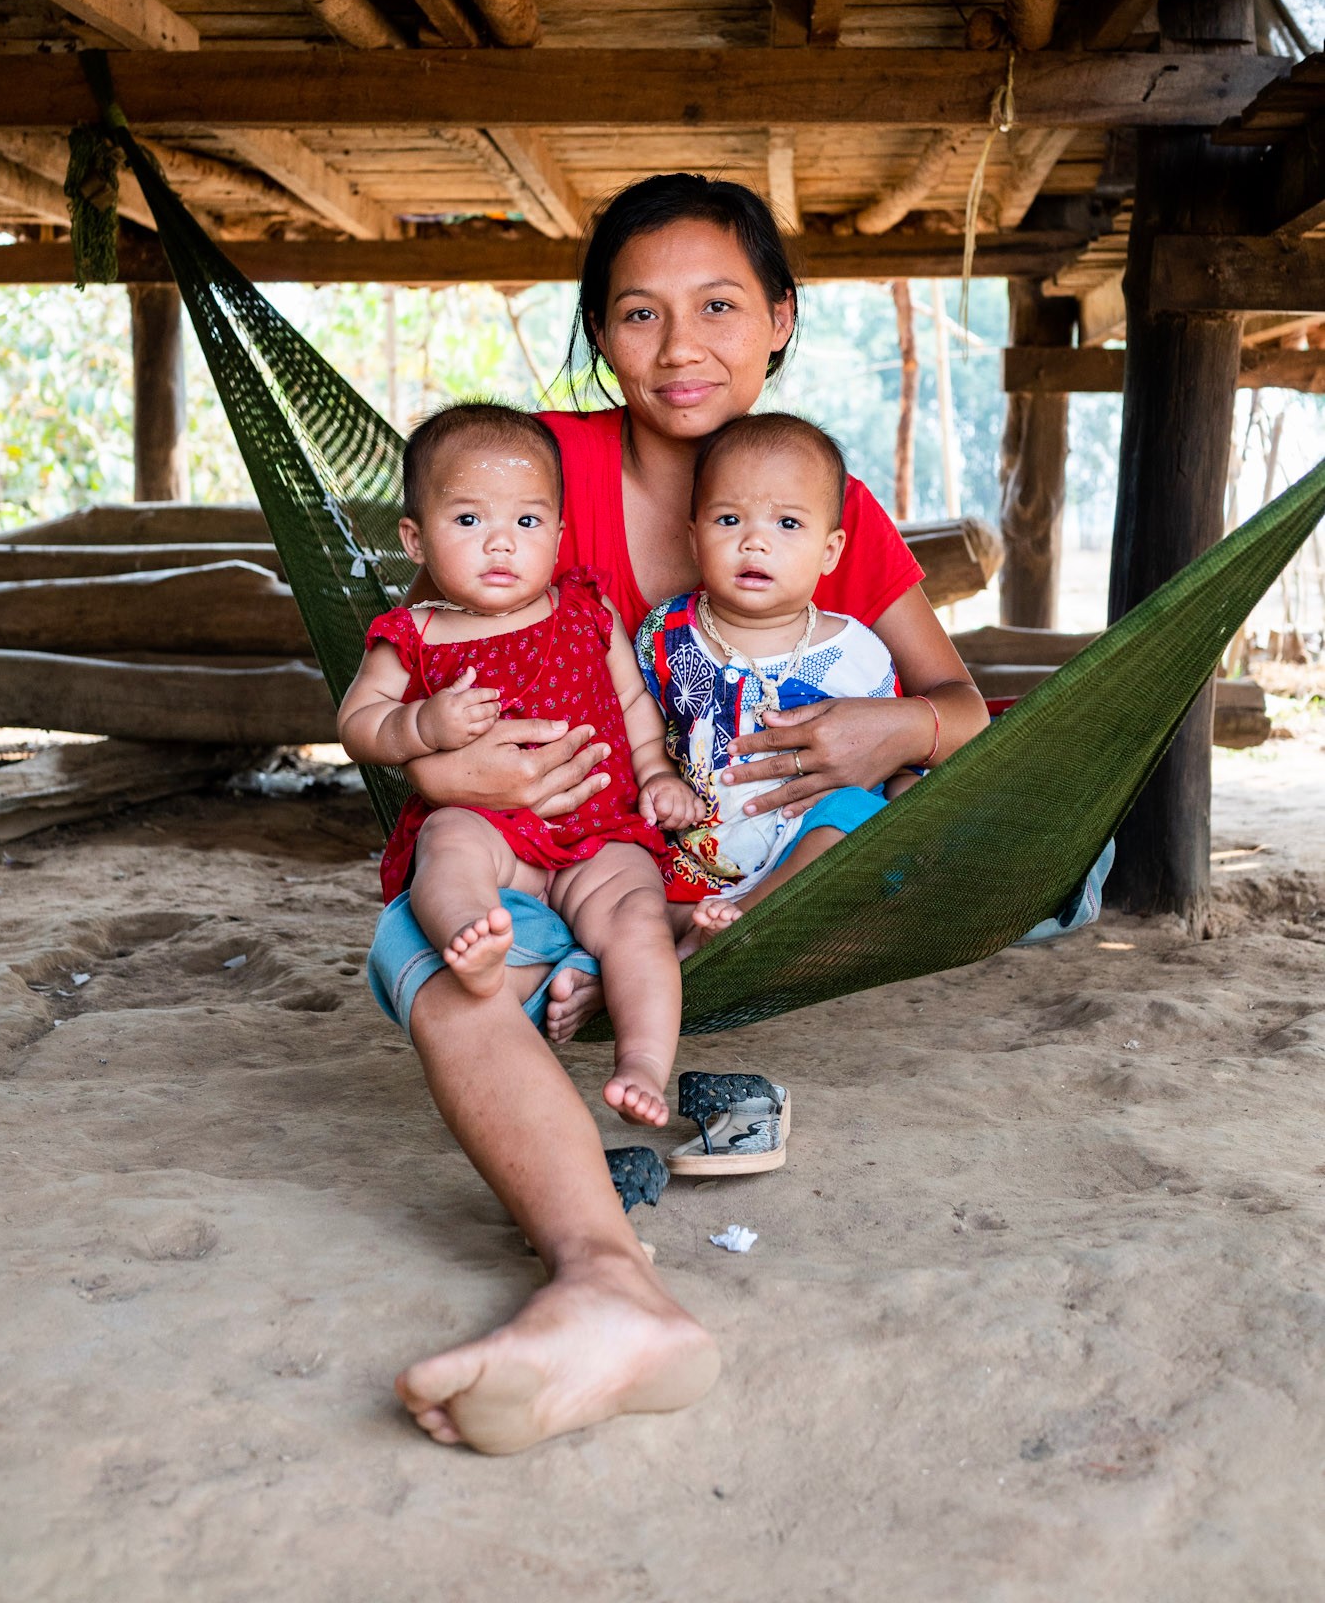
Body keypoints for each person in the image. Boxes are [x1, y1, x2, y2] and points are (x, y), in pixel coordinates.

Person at [363, 173, 990, 1455]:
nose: (679, 346)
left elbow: (963, 707)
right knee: (429, 945)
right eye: (639, 313)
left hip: (730, 873)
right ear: (601, 333)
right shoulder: (529, 466)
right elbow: (422, 653)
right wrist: (444, 774)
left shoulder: (812, 492)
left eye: (718, 305)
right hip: (564, 850)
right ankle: (604, 1277)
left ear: (779, 317)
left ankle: (603, 1288)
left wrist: (896, 728)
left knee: (548, 938)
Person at [338, 403, 703, 1128]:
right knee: (447, 843)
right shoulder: (413, 634)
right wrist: (419, 723)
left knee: (636, 917)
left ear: (559, 536)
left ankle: (642, 1060)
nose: (501, 542)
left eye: (527, 521)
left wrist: (657, 773)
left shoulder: (587, 610)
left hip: (598, 830)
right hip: (491, 831)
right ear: (415, 539)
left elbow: (633, 701)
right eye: (469, 519)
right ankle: (470, 941)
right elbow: (356, 724)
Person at [637, 410, 956, 938]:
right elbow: (640, 717)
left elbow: (895, 756)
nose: (755, 542)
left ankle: (744, 921)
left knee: (859, 814)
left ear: (829, 552)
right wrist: (656, 776)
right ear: (694, 540)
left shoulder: (855, 652)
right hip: (696, 854)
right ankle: (692, 937)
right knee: (619, 875)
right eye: (729, 520)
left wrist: (902, 804)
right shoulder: (666, 632)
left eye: (787, 524)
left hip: (807, 858)